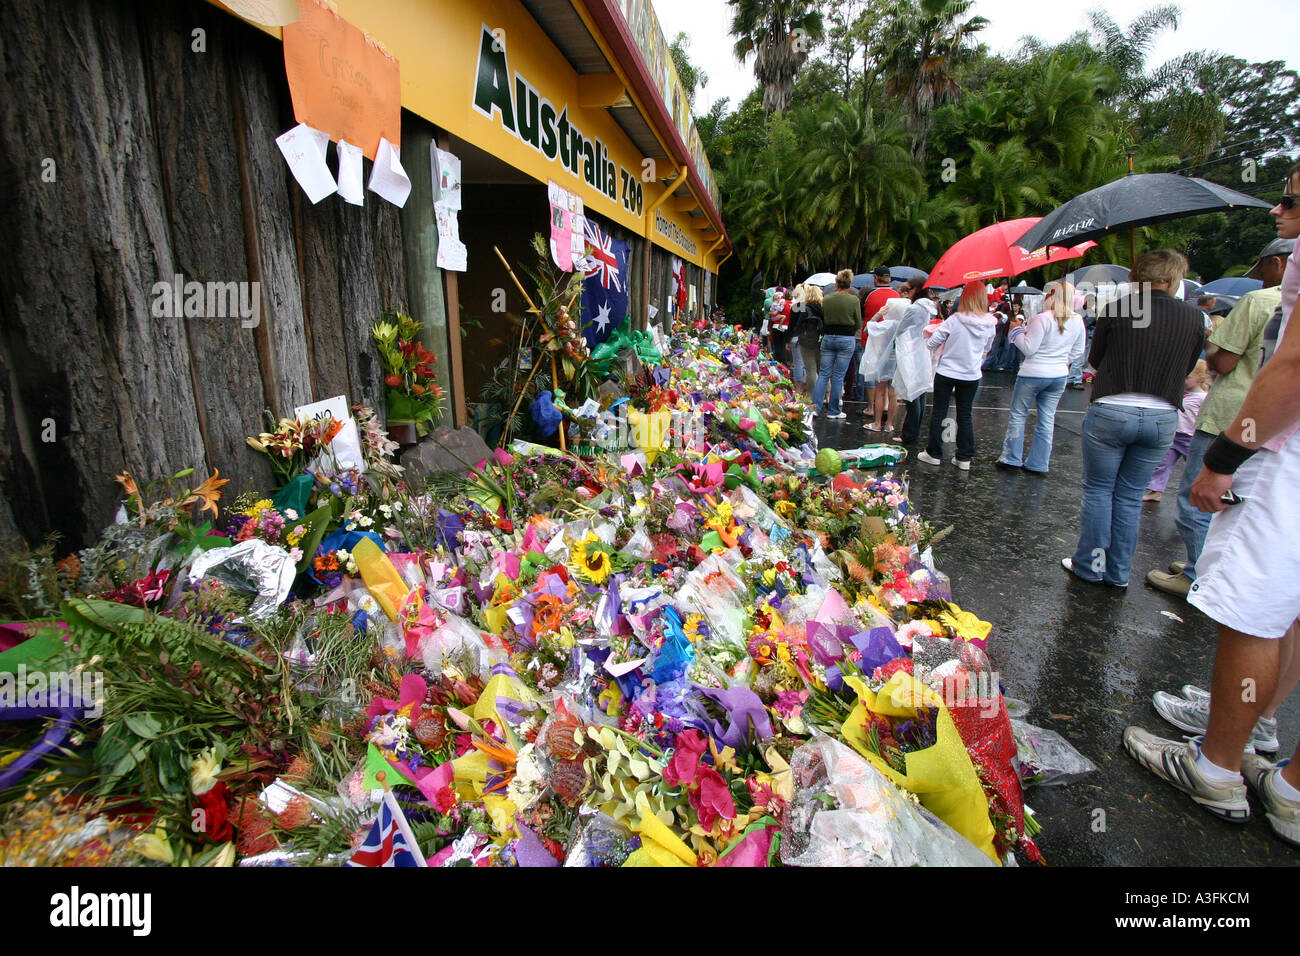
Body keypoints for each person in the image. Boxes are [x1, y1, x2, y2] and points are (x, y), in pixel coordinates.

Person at [1124, 176, 1300, 847]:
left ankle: (1217, 764)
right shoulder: (1195, 311)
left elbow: (1290, 365)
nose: (1279, 211)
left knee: (1254, 609)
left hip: (1283, 455)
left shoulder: (1260, 295)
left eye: (1291, 200)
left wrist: (1227, 455)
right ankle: (1282, 780)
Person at [1143, 229, 1300, 596]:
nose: (1259, 274)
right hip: (1276, 426)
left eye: (1262, 267)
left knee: (1199, 496)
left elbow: (1224, 360)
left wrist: (1212, 356)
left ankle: (1199, 573)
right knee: (1239, 503)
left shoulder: (1259, 302)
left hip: (1235, 414)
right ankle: (1208, 562)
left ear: (1279, 263)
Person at [1062, 249, 1205, 587]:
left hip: (1113, 408)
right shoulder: (1193, 316)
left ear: (1136, 278)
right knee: (1129, 496)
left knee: (1099, 491)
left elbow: (1095, 358)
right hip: (1162, 415)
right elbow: (1187, 367)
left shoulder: (1119, 309)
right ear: (1171, 280)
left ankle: (1090, 565)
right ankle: (1118, 572)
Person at [995, 280, 1086, 474]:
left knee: (1019, 415)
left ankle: (1011, 457)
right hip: (1059, 374)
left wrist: (1016, 331)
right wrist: (1061, 360)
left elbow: (1029, 348)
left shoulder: (1042, 318)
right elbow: (1078, 350)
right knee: (1047, 419)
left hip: (1033, 373)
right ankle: (1039, 462)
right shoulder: (1078, 320)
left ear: (1052, 295)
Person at [915, 282, 997, 470]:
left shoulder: (955, 320)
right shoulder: (990, 324)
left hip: (947, 371)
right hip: (971, 374)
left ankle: (933, 453)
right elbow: (987, 349)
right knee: (965, 413)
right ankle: (964, 457)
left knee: (939, 412)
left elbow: (932, 342)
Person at [1142, 360, 1209, 502]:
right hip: (1174, 435)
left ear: (1200, 379)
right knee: (1162, 463)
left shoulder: (1203, 397)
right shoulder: (1180, 393)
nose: (1183, 380)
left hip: (1190, 437)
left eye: (1188, 378)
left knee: (1196, 466)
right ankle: (1156, 490)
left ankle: (1201, 492)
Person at [891, 277, 938, 443]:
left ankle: (909, 434)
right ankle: (913, 432)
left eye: (910, 289)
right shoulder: (928, 307)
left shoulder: (915, 308)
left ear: (916, 289)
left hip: (910, 352)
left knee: (912, 393)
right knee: (920, 392)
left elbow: (901, 329)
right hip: (921, 351)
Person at [810, 270, 861, 419]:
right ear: (849, 284)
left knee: (824, 374)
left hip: (828, 336)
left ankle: (815, 407)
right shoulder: (854, 300)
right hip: (846, 337)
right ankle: (833, 410)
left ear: (836, 283)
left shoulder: (827, 299)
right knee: (839, 375)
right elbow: (857, 322)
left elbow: (823, 317)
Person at [865, 297, 911, 436]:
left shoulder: (885, 324)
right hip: (899, 360)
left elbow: (867, 329)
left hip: (884, 360)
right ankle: (889, 424)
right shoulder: (905, 325)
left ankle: (877, 423)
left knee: (880, 391)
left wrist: (878, 314)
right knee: (893, 393)